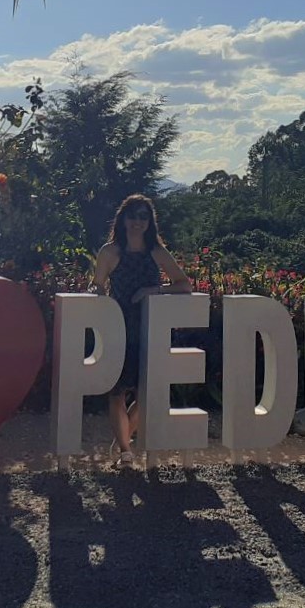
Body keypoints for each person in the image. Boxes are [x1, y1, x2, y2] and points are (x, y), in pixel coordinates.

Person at [91, 194, 193, 466]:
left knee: (149, 394)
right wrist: (97, 301)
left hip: (151, 330)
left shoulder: (157, 252)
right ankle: (126, 451)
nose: (137, 222)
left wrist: (154, 289)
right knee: (117, 393)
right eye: (133, 215)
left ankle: (123, 437)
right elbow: (98, 286)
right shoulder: (109, 252)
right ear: (123, 218)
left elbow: (184, 285)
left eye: (143, 217)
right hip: (119, 329)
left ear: (150, 222)